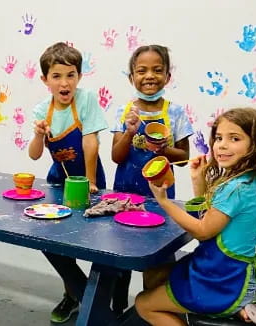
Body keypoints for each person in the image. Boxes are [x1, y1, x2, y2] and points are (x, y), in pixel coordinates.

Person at [135, 108, 256, 325]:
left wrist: (164, 201)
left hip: (220, 282)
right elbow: (212, 220)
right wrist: (199, 182)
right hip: (229, 272)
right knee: (153, 275)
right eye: (218, 138)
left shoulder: (236, 189)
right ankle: (228, 307)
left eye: (234, 138)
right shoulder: (251, 181)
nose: (222, 145)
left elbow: (203, 231)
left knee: (143, 303)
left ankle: (221, 308)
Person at [109, 44, 194, 315]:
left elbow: (182, 158)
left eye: (157, 70)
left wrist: (162, 149)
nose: (150, 76)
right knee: (118, 257)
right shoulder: (124, 111)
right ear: (131, 77)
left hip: (161, 199)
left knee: (157, 261)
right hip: (125, 194)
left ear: (168, 76)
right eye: (142, 70)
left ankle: (150, 313)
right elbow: (116, 156)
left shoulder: (176, 113)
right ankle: (116, 308)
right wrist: (129, 132)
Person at [28, 42, 108, 323]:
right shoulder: (42, 110)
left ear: (79, 76)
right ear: (45, 80)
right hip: (57, 182)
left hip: (89, 179)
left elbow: (91, 142)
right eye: (57, 76)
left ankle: (99, 298)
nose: (65, 82)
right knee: (52, 240)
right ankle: (75, 293)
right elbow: (35, 154)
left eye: (71, 75)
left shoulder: (85, 100)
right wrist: (38, 134)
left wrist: (89, 181)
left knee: (92, 240)